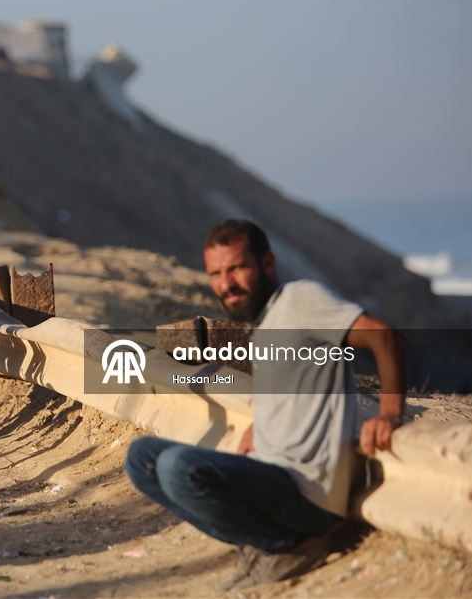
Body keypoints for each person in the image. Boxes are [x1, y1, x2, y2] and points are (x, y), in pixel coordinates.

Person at [125, 219, 406, 591]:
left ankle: (287, 545)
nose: (226, 283)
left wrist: (389, 412)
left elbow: (386, 338)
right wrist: (263, 426)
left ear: (267, 264)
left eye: (237, 268)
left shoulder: (301, 299)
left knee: (179, 467)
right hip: (270, 475)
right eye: (217, 273)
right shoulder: (265, 324)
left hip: (308, 491)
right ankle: (258, 543)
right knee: (141, 456)